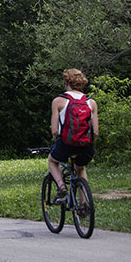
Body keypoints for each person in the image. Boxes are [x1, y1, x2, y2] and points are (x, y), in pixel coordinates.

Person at [48, 69, 99, 202]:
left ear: (66, 82)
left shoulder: (58, 101)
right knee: (80, 169)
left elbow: (54, 131)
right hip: (85, 145)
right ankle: (84, 204)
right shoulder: (91, 102)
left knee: (52, 161)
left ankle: (61, 187)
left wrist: (62, 137)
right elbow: (95, 132)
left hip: (66, 143)